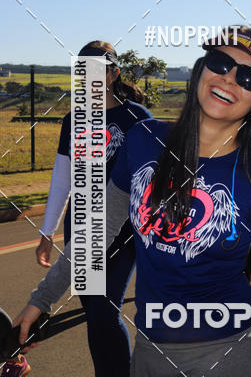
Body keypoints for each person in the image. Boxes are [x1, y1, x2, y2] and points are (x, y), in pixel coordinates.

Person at [12, 26, 251, 377]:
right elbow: (95, 234)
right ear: (201, 69)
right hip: (151, 357)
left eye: (247, 77)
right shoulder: (144, 140)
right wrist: (41, 300)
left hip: (234, 359)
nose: (228, 78)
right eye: (220, 62)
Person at [1, 41, 151, 377]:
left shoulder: (137, 118)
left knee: (104, 312)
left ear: (114, 74)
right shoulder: (74, 120)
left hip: (122, 229)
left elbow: (154, 177)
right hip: (80, 225)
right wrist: (47, 231)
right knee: (95, 315)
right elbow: (61, 180)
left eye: (98, 70)